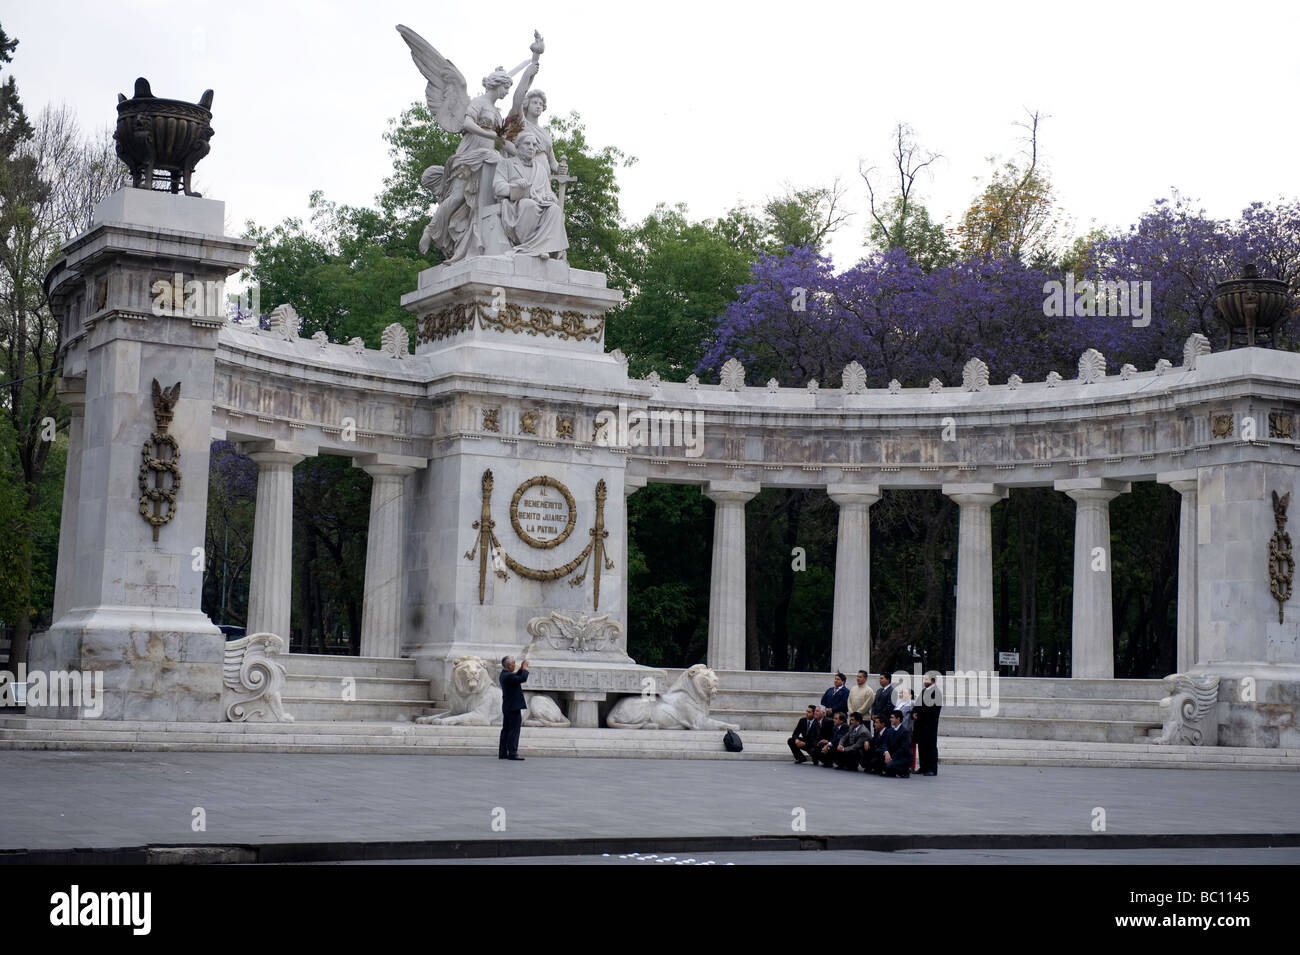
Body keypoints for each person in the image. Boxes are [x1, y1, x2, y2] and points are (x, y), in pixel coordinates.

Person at [493, 131, 569, 258]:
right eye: (527, 144)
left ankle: (545, 248)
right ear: (517, 146)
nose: (531, 147)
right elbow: (498, 187)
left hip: (540, 203)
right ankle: (529, 247)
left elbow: (548, 192)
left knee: (555, 209)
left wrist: (551, 197)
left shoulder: (541, 169)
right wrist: (514, 186)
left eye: (534, 145)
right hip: (516, 205)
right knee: (529, 205)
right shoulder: (507, 163)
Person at [498, 655, 529, 760]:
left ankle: (503, 753)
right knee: (514, 730)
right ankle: (512, 752)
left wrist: (520, 669)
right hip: (513, 707)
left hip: (508, 706)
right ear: (508, 665)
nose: (515, 665)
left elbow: (516, 677)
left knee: (506, 730)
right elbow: (522, 679)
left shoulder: (505, 675)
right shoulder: (508, 676)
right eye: (513, 664)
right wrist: (524, 668)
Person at [913, 671, 943, 776]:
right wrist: (914, 712)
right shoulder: (924, 691)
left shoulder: (936, 693)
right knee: (922, 745)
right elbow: (917, 704)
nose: (924, 682)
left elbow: (931, 709)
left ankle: (932, 768)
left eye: (926, 680)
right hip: (921, 724)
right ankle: (923, 766)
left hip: (930, 724)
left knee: (930, 746)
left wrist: (919, 714)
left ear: (933, 681)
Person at [881, 709, 912, 778]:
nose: (890, 719)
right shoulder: (890, 730)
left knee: (889, 766)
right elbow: (885, 743)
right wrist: (886, 752)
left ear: (898, 719)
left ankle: (904, 771)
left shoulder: (905, 732)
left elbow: (903, 748)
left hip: (901, 757)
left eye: (892, 717)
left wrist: (891, 757)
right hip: (891, 755)